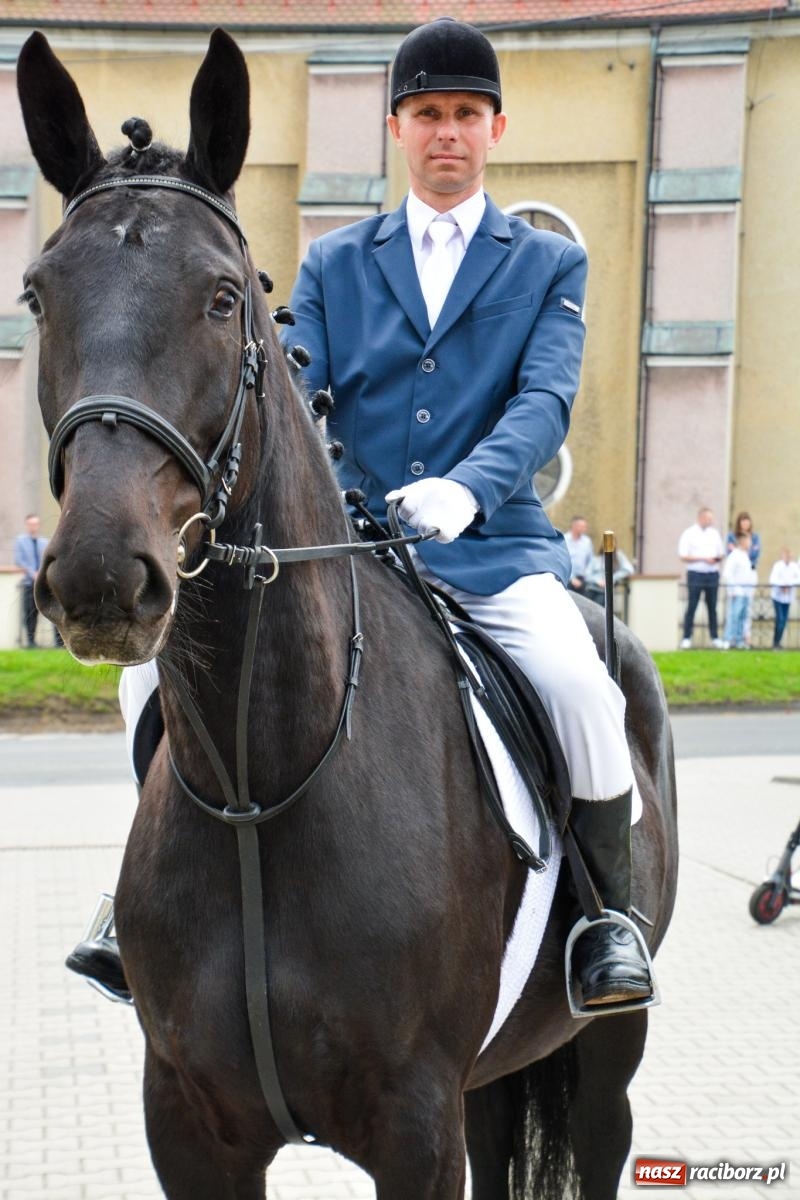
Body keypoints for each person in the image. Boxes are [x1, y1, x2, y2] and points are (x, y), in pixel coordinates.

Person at [279, 16, 653, 1011]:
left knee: (579, 687)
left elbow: (542, 402)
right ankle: (137, 906)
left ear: (494, 127)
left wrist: (467, 487)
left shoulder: (544, 265)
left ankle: (604, 922)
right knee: (179, 668)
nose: (445, 130)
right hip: (351, 548)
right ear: (396, 127)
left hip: (490, 549)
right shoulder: (330, 264)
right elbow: (299, 387)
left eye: (464, 114)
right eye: (426, 113)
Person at [678, 507, 725, 648]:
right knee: (692, 605)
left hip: (712, 574)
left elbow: (721, 553)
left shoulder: (714, 534)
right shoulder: (689, 533)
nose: (710, 521)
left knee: (712, 607)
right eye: (708, 518)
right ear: (701, 518)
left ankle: (715, 637)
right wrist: (704, 559)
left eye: (711, 519)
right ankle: (686, 637)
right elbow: (683, 555)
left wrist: (715, 559)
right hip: (696, 573)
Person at [13, 514, 48, 648]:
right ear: (27, 525)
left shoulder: (44, 542)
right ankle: (31, 642)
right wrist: (33, 573)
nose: (33, 526)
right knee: (29, 613)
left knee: (46, 611)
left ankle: (58, 644)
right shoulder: (20, 541)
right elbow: (19, 560)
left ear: (38, 525)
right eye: (30, 524)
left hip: (42, 584)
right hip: (29, 583)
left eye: (35, 524)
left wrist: (41, 574)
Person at [722, 533, 754, 649]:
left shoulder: (745, 556)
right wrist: (733, 590)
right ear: (742, 541)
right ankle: (728, 639)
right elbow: (727, 574)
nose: (750, 543)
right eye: (748, 541)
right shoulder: (734, 555)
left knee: (742, 617)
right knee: (733, 616)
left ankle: (739, 640)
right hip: (737, 591)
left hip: (746, 592)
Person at [584, 541, 634, 607]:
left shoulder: (618, 557)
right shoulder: (596, 559)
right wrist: (597, 581)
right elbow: (586, 575)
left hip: (605, 591)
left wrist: (611, 579)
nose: (609, 545)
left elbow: (629, 570)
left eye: (612, 543)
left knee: (597, 607)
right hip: (591, 588)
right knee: (585, 607)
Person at [769, 547, 800, 649]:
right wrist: (782, 585)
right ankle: (776, 642)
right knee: (780, 619)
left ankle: (777, 642)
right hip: (778, 597)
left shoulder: (794, 566)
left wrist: (788, 584)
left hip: (788, 598)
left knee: (783, 620)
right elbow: (773, 579)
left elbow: (797, 579)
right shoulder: (778, 566)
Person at [564, 515, 593, 593]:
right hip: (567, 579)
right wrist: (572, 578)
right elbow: (562, 561)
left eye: (585, 526)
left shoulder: (587, 541)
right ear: (574, 526)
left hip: (583, 580)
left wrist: (586, 576)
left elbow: (590, 560)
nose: (585, 529)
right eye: (582, 526)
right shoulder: (564, 540)